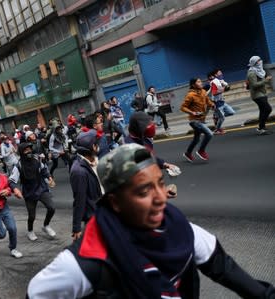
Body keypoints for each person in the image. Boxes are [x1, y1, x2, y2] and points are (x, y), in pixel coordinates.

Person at [27, 144, 275, 298]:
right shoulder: (83, 264)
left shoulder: (183, 231)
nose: (160, 198)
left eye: (160, 183)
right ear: (115, 202)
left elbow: (231, 274)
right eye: (143, 191)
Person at [9, 143, 56, 242]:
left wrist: (49, 178)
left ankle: (46, 225)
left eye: (29, 149)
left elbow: (44, 170)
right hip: (29, 193)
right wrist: (15, 189)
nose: (29, 152)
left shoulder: (37, 160)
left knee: (51, 208)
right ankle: (30, 231)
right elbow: (11, 181)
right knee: (32, 216)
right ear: (22, 152)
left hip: (41, 188)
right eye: (26, 150)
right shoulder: (19, 165)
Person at [69, 130, 102, 241]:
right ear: (91, 147)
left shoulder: (94, 160)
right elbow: (79, 200)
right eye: (96, 143)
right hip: (94, 217)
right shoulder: (79, 172)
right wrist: (76, 227)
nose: (98, 145)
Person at [180, 78, 215, 162]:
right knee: (209, 134)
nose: (201, 82)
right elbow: (182, 107)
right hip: (194, 120)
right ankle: (201, 150)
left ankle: (188, 153)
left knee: (196, 139)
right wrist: (192, 112)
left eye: (200, 81)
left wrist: (212, 105)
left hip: (201, 119)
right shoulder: (190, 95)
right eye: (198, 82)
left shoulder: (203, 91)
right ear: (193, 85)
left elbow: (207, 100)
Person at [247, 56, 273, 135]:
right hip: (257, 95)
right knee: (268, 109)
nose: (261, 61)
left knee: (263, 110)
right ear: (255, 63)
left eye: (260, 60)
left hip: (262, 93)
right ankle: (261, 127)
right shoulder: (252, 73)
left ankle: (261, 128)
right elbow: (254, 85)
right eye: (258, 61)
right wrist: (266, 80)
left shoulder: (259, 70)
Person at [208, 69, 235, 135]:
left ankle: (217, 117)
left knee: (231, 112)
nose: (221, 73)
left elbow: (224, 89)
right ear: (215, 75)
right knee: (222, 118)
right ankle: (217, 130)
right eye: (219, 73)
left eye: (221, 72)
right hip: (216, 103)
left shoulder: (220, 81)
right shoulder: (214, 82)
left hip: (222, 102)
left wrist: (226, 88)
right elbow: (214, 93)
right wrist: (224, 89)